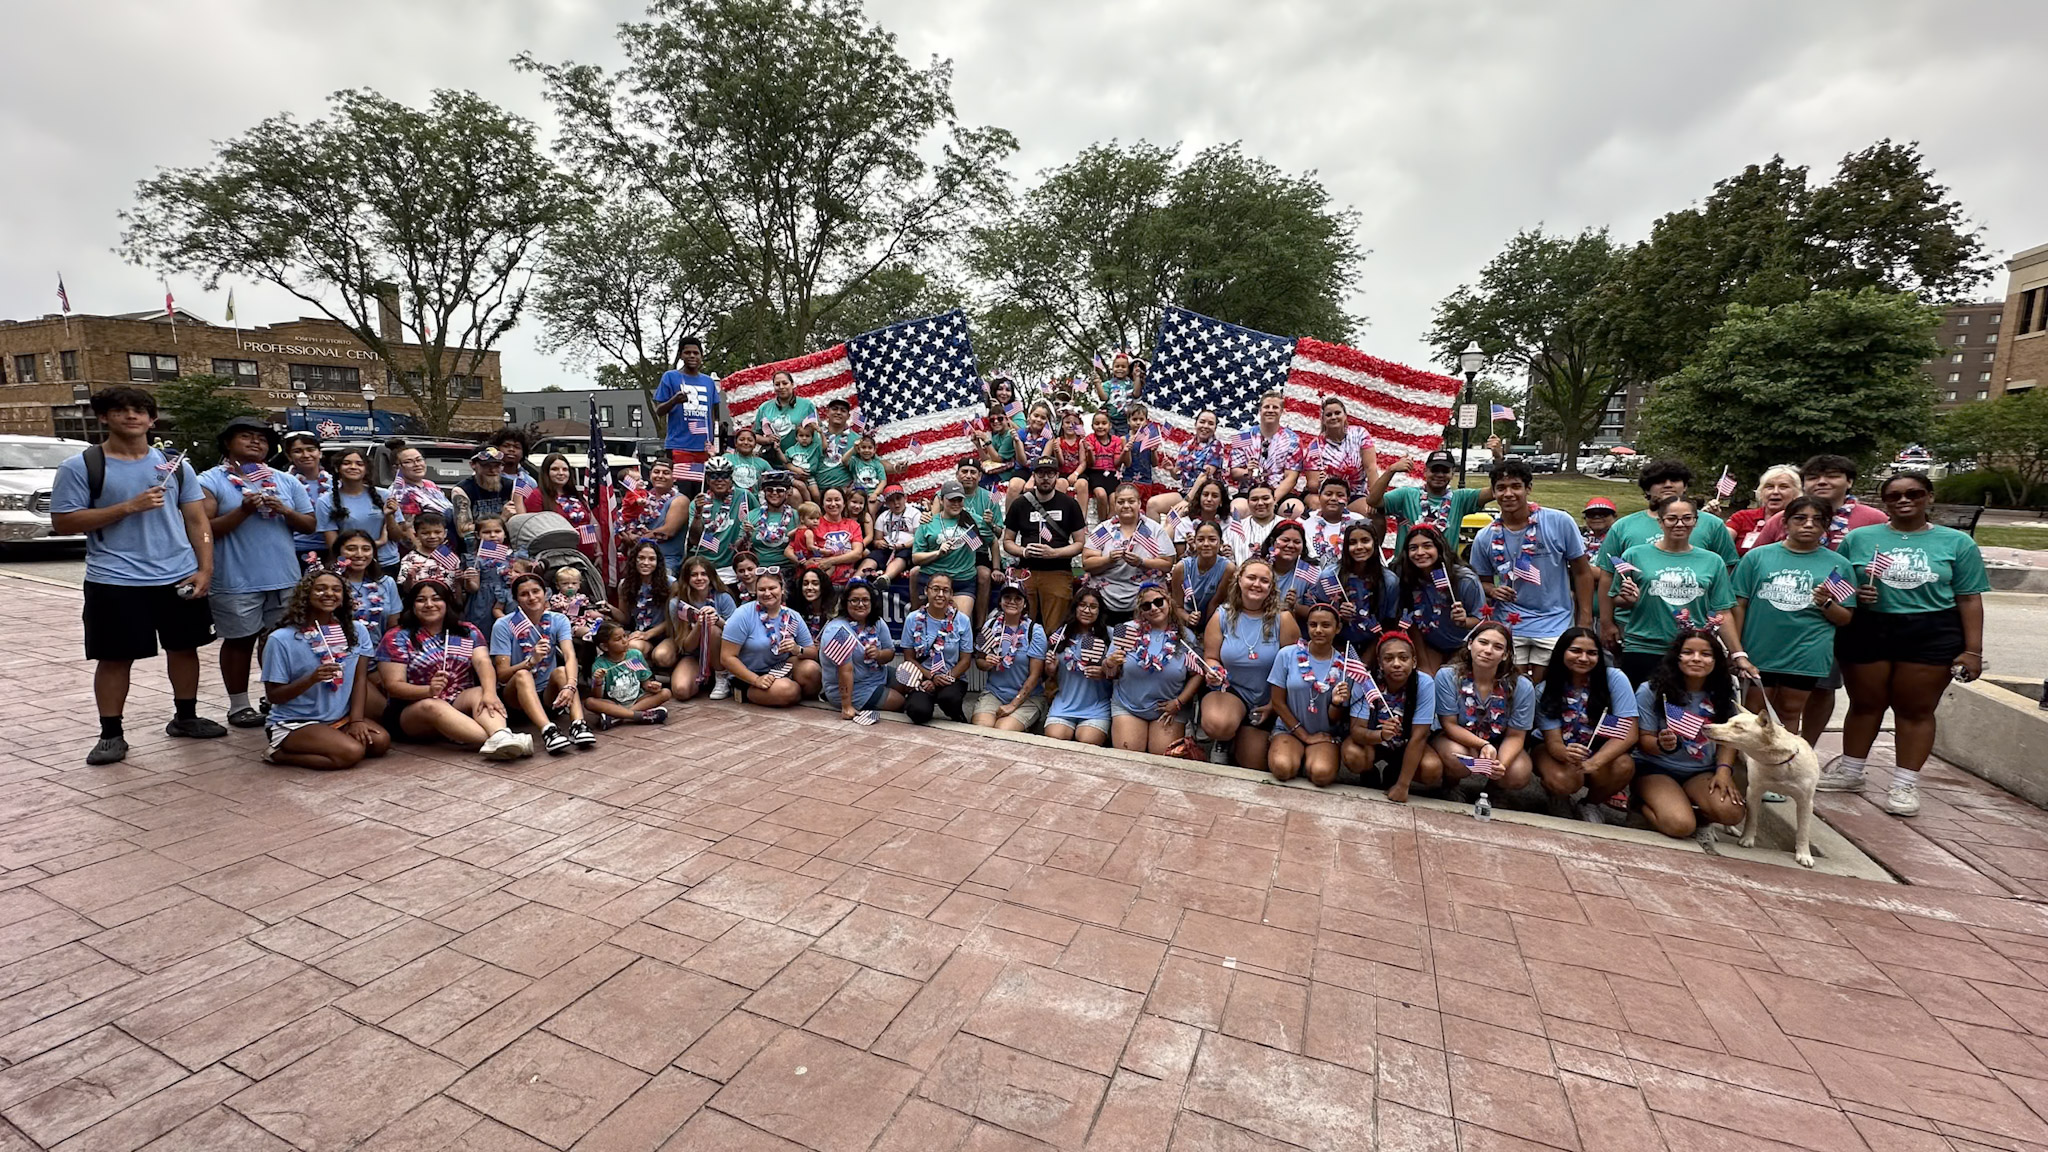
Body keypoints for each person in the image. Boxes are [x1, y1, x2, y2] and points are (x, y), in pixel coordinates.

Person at [50, 385, 224, 764]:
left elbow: (197, 520)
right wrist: (127, 507)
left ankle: (186, 717)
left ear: (152, 419)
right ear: (103, 417)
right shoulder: (81, 466)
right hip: (115, 578)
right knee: (113, 657)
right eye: (121, 410)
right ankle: (111, 733)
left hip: (177, 574)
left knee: (184, 647)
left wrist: (205, 568)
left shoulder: (175, 465)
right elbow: (63, 521)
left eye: (140, 410)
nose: (132, 416)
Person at [1824, 471, 1989, 816]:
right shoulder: (1860, 538)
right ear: (1884, 503)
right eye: (1894, 496)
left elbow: (1969, 598)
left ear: (1929, 497)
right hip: (1871, 625)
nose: (1903, 501)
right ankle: (1851, 771)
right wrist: (1856, 592)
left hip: (1931, 628)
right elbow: (1837, 584)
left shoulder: (1957, 543)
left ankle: (1904, 784)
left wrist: (1973, 650)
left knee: (1914, 708)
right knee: (1865, 702)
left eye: (1913, 494)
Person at [1749, 454, 1890, 751]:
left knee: (1821, 688)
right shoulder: (1780, 520)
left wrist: (1855, 594)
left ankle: (1803, 752)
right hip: (1774, 629)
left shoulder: (1872, 520)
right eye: (1814, 477)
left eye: (1833, 475)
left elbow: (1876, 568)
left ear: (1849, 481)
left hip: (1827, 627)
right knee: (1759, 701)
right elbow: (1756, 568)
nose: (1822, 482)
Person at [202, 416, 318, 728]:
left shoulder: (287, 481)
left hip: (284, 577)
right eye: (246, 437)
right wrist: (244, 510)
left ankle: (274, 696)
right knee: (239, 641)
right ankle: (239, 705)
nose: (256, 442)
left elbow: (310, 524)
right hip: (236, 579)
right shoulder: (210, 480)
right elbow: (204, 529)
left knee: (279, 641)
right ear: (228, 443)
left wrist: (286, 511)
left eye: (262, 439)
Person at [1729, 495, 1853, 738]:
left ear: (1826, 526)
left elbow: (1845, 617)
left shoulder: (1838, 565)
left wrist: (1826, 602)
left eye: (1818, 520)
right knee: (1753, 713)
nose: (1808, 525)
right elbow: (1739, 604)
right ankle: (1745, 771)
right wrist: (1738, 649)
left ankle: (1781, 771)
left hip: (1806, 652)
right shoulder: (1757, 557)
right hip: (1760, 649)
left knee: (1789, 712)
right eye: (1800, 518)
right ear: (1785, 523)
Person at [1466, 460, 1594, 679]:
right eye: (1501, 488)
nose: (1508, 494)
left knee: (1546, 688)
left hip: (1555, 622)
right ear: (1494, 493)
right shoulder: (1485, 536)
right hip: (1510, 624)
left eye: (1515, 486)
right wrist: (1492, 590)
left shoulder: (1559, 521)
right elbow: (1482, 580)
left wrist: (1585, 620)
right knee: (1514, 687)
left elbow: (1582, 571)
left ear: (1528, 488)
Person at [377, 578, 528, 758]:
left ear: (447, 602)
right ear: (412, 605)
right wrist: (428, 690)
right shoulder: (397, 637)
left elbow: (483, 662)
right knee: (432, 705)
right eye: (421, 600)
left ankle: (501, 737)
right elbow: (393, 686)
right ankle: (502, 739)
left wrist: (490, 693)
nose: (429, 604)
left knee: (481, 692)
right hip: (413, 710)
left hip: (458, 701)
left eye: (436, 598)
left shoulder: (466, 631)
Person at [1604, 494, 1743, 686]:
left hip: (1691, 651)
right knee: (1641, 708)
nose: (1680, 524)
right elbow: (1616, 600)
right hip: (1644, 647)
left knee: (1683, 710)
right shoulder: (1634, 555)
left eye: (1687, 518)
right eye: (1672, 519)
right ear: (1660, 522)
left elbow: (1723, 611)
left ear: (1695, 521)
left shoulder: (1713, 561)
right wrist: (1627, 598)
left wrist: (1738, 654)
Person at [258, 569, 390, 769]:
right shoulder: (281, 639)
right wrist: (311, 679)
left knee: (380, 743)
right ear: (306, 595)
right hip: (296, 722)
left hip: (339, 719)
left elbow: (359, 679)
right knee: (352, 753)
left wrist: (356, 720)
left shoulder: (356, 631)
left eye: (336, 589)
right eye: (320, 589)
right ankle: (278, 753)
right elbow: (274, 696)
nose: (329, 593)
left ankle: (333, 738)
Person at [1594, 460, 1738, 632]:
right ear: (1647, 489)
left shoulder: (1712, 525)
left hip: (1696, 628)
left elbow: (1726, 572)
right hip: (1634, 626)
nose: (1668, 485)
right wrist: (1606, 623)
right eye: (1659, 481)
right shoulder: (1623, 527)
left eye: (1675, 480)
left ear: (1685, 486)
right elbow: (1607, 577)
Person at [1634, 630, 1747, 840]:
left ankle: (1695, 810)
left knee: (1732, 812)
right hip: (1655, 768)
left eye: (1705, 654)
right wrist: (1662, 743)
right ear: (1677, 657)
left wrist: (1723, 771)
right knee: (1680, 826)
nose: (1696, 659)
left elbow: (1728, 738)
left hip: (1700, 771)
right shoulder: (1651, 690)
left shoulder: (1724, 690)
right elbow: (1643, 741)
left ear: (1716, 660)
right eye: (1688, 652)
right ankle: (1640, 806)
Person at [1533, 627, 1638, 823]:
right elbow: (1553, 741)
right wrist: (1564, 753)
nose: (1583, 658)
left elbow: (1629, 732)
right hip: (1556, 750)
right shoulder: (1545, 688)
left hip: (1599, 749)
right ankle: (1558, 796)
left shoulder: (1614, 679)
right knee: (1563, 780)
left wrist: (1594, 762)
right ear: (1561, 652)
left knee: (1624, 765)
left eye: (1591, 653)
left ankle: (1590, 803)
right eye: (1575, 651)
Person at [1202, 559, 1299, 771]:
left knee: (1254, 764)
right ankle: (1225, 738)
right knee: (1219, 725)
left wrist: (1275, 705)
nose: (1257, 584)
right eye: (1251, 578)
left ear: (1272, 587)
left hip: (1269, 697)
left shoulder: (1284, 619)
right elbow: (1211, 657)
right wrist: (1214, 670)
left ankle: (1242, 738)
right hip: (1231, 691)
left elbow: (1295, 668)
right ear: (1239, 580)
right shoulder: (1222, 615)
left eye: (1264, 581)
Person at [490, 571, 594, 755]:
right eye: (524, 594)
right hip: (515, 698)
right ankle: (548, 731)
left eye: (535, 591)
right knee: (522, 674)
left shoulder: (558, 619)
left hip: (549, 695)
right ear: (516, 599)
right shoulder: (504, 625)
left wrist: (570, 685)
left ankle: (578, 724)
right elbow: (503, 675)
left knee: (563, 671)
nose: (531, 597)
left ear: (545, 593)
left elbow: (570, 656)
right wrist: (530, 662)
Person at [1433, 621, 1537, 797]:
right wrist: (1483, 745)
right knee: (1457, 757)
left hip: (1499, 742)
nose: (1488, 651)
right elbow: (1449, 724)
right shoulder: (1448, 676)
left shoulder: (1522, 686)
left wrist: (1499, 765)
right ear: (1470, 643)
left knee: (1518, 772)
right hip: (1458, 739)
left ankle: (1493, 791)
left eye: (1497, 647)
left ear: (1505, 655)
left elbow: (1516, 735)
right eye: (1483, 642)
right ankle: (1450, 785)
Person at [1340, 630, 1440, 802]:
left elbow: (1419, 736)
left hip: (1406, 743)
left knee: (1432, 769)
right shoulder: (1366, 681)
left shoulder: (1424, 683)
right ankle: (1368, 772)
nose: (1396, 664)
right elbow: (1356, 730)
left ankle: (1394, 773)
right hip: (1372, 742)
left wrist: (1403, 785)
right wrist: (1380, 735)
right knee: (1352, 754)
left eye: (1403, 658)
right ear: (1379, 663)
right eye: (1388, 659)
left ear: (1414, 661)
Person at [1106, 581, 1200, 755]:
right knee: (1128, 754)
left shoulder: (1186, 637)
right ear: (1140, 610)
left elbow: (1197, 674)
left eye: (1158, 602)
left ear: (1168, 602)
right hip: (1129, 706)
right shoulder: (1127, 631)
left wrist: (1179, 703)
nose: (1154, 608)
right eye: (1146, 605)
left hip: (1168, 710)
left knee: (1162, 757)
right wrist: (1110, 663)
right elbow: (1109, 672)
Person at [1266, 602, 1353, 786]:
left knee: (1321, 775)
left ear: (1338, 628)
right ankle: (1295, 754)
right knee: (1283, 769)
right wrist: (1304, 736)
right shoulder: (1287, 655)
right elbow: (1277, 702)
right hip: (1289, 730)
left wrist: (1336, 703)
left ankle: (1312, 758)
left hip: (1324, 733)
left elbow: (1336, 719)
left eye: (1326, 625)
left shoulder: (1344, 668)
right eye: (1313, 625)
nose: (1319, 630)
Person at [1367, 442, 1504, 555]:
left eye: (1444, 471)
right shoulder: (1406, 495)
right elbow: (1372, 500)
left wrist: (1499, 460)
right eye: (1434, 470)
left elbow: (1495, 490)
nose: (1439, 474)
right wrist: (1391, 470)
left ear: (1452, 473)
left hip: (1445, 573)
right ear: (1425, 472)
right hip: (1407, 573)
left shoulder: (1461, 498)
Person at [1002, 455, 1088, 631]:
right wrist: (1024, 551)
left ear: (1057, 476)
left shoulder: (1070, 504)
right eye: (1041, 474)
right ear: (1034, 476)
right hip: (1026, 572)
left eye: (1050, 474)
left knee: (1055, 628)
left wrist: (1054, 553)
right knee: (1021, 625)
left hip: (1058, 571)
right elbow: (1007, 541)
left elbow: (1079, 543)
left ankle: (1051, 656)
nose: (1046, 478)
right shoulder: (1020, 503)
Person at [721, 568, 822, 707]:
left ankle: (784, 693)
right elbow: (727, 658)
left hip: (781, 668)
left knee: (812, 670)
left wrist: (797, 649)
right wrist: (756, 680)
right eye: (762, 589)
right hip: (750, 675)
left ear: (782, 589)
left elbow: (812, 653)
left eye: (772, 588)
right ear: (756, 592)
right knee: (787, 690)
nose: (767, 593)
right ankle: (747, 693)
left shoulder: (793, 616)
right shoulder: (742, 614)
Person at [1390, 524, 1482, 675]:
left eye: (1427, 546)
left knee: (1448, 680)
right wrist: (1424, 663)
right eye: (1413, 548)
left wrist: (1464, 621)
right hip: (1430, 645)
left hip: (1464, 646)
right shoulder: (1407, 579)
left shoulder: (1465, 580)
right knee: (1425, 679)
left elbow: (1483, 622)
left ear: (1439, 548)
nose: (1420, 552)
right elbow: (1412, 622)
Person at [1081, 485, 1174, 625]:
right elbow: (1087, 563)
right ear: (1115, 504)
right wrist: (1108, 559)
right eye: (1121, 502)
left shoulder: (1154, 529)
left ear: (1139, 503)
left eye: (1131, 501)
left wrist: (1142, 562)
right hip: (1107, 601)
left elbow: (1167, 563)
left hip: (1145, 604)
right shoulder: (1104, 529)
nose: (1126, 506)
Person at [1043, 588, 1116, 746]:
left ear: (1100, 611)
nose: (1087, 610)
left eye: (1093, 606)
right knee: (1054, 739)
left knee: (1088, 740)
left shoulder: (1110, 635)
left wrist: (1105, 673)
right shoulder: (1061, 635)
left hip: (1096, 707)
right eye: (1082, 605)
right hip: (1064, 704)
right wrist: (1051, 669)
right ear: (1075, 607)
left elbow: (1120, 674)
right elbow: (1050, 675)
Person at [898, 573, 974, 724]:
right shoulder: (913, 618)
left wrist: (944, 678)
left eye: (945, 590)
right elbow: (909, 658)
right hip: (922, 676)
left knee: (948, 698)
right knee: (918, 712)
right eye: (936, 589)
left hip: (952, 677)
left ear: (951, 594)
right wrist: (930, 677)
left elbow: (965, 661)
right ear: (927, 591)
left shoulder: (962, 620)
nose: (940, 594)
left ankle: (956, 715)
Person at [819, 579, 900, 720]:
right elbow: (845, 670)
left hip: (878, 674)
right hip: (855, 688)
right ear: (846, 603)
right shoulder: (838, 631)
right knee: (900, 702)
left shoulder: (877, 622)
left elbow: (890, 652)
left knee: (909, 683)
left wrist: (879, 654)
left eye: (865, 600)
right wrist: (847, 706)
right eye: (854, 600)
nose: (861, 604)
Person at [1317, 522, 1400, 655]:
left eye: (1365, 541)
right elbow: (1319, 618)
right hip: (1336, 645)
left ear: (1375, 543)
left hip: (1374, 646)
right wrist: (1337, 614)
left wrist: (1367, 660)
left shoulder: (1389, 581)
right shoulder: (1330, 576)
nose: (1359, 547)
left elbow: (1388, 624)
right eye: (1353, 542)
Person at [974, 583, 1047, 732]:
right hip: (995, 693)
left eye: (1018, 598)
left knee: (1003, 730)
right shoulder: (990, 624)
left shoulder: (1035, 631)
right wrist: (986, 663)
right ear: (1000, 601)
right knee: (981, 729)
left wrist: (1013, 705)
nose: (1012, 601)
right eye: (1007, 597)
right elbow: (979, 660)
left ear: (1025, 603)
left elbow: (1035, 675)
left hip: (1027, 697)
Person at [661, 556, 737, 697]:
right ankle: (702, 677)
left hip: (721, 652)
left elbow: (736, 636)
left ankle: (721, 677)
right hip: (693, 654)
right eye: (694, 575)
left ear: (710, 576)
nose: (699, 578)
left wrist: (717, 620)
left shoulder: (723, 597)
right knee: (681, 691)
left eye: (703, 574)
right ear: (686, 578)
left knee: (713, 629)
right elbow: (686, 646)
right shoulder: (677, 604)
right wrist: (699, 626)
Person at [653, 334, 719, 493]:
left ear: (701, 356)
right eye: (687, 352)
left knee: (702, 494)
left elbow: (714, 416)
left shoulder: (709, 382)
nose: (692, 356)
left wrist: (714, 443)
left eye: (696, 353)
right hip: (679, 446)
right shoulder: (670, 377)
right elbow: (659, 411)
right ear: (681, 355)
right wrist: (674, 400)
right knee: (682, 495)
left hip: (704, 449)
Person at [912, 480, 985, 619]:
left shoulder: (974, 520)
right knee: (930, 621)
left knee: (960, 622)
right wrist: (937, 553)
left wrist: (992, 525)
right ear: (941, 500)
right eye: (951, 500)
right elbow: (915, 558)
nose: (956, 504)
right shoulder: (928, 522)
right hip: (934, 580)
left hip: (962, 581)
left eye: (959, 500)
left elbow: (995, 537)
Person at [1296, 397, 1380, 516]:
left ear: (1345, 416)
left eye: (1337, 413)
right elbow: (1312, 485)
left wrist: (1375, 499)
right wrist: (1321, 481)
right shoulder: (1315, 447)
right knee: (1320, 506)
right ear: (1323, 420)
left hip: (1355, 495)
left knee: (1371, 512)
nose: (1333, 417)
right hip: (1326, 495)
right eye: (1329, 415)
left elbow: (1371, 468)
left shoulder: (1360, 434)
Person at [319, 449, 398, 570]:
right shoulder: (325, 502)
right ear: (337, 468)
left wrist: (389, 516)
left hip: (386, 563)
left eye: (359, 464)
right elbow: (334, 546)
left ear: (366, 469)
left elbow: (397, 535)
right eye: (346, 463)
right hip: (351, 565)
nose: (353, 467)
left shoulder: (384, 496)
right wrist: (377, 544)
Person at [583, 622, 673, 728]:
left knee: (665, 693)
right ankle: (640, 716)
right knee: (590, 702)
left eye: (625, 636)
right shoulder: (600, 665)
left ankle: (619, 717)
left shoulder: (635, 655)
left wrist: (652, 686)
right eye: (618, 639)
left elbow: (645, 682)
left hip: (638, 699)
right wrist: (598, 681)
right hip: (614, 704)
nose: (625, 641)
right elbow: (598, 696)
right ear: (605, 646)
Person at [1230, 392, 1303, 514]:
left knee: (1295, 509)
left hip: (1278, 493)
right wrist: (1247, 472)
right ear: (1259, 410)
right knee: (1237, 509)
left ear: (1281, 412)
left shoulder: (1293, 439)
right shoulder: (1242, 436)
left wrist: (1272, 500)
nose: (1270, 410)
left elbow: (1292, 477)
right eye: (1266, 407)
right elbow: (1234, 472)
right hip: (1248, 493)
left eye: (1275, 407)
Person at [686, 458, 754, 582]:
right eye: (714, 476)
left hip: (733, 567)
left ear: (731, 478)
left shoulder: (744, 496)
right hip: (704, 565)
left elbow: (758, 520)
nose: (719, 480)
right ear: (707, 480)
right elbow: (695, 540)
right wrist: (698, 514)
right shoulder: (698, 502)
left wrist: (749, 531)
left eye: (724, 475)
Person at [331, 530, 399, 652]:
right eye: (351, 549)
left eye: (366, 549)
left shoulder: (386, 583)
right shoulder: (329, 584)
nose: (359, 554)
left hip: (378, 655)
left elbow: (393, 627)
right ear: (338, 552)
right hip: (339, 654)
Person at [524, 454, 599, 560]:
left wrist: (597, 551)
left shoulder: (576, 495)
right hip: (558, 558)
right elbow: (534, 530)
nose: (561, 473)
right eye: (555, 469)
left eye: (565, 469)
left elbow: (586, 524)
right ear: (546, 473)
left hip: (587, 557)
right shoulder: (537, 496)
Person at [385, 445, 454, 553]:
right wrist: (422, 554)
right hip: (427, 553)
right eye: (409, 462)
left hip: (446, 547)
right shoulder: (401, 493)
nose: (417, 464)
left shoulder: (430, 485)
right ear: (396, 468)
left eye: (419, 459)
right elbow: (407, 530)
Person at [611, 541, 671, 659]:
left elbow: (675, 620)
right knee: (633, 646)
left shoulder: (670, 583)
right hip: (640, 634)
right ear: (634, 560)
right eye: (641, 558)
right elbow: (625, 618)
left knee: (661, 657)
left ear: (658, 562)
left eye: (651, 559)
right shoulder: (624, 585)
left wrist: (648, 634)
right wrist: (609, 609)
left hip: (665, 634)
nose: (646, 563)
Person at [1723, 465, 1801, 555]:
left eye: (1783, 487)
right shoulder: (1742, 517)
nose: (1775, 492)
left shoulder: (1803, 520)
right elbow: (1720, 544)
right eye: (1769, 487)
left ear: (1796, 493)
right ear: (1761, 492)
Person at [1172, 520, 1234, 630]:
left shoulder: (1228, 568)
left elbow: (1214, 603)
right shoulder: (1181, 568)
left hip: (1214, 621)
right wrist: (1188, 617)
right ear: (1195, 542)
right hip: (1184, 623)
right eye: (1200, 540)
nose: (1206, 544)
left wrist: (1206, 632)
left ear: (1220, 543)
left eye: (1212, 540)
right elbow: (1177, 606)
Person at [452, 446, 517, 549]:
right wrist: (501, 519)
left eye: (497, 466)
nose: (492, 470)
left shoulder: (511, 486)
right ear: (473, 465)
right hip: (475, 547)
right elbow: (462, 531)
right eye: (486, 466)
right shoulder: (462, 490)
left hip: (506, 544)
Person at [282, 430, 331, 563]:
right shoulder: (282, 483)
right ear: (289, 456)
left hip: (330, 549)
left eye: (311, 449)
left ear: (320, 453)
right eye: (298, 451)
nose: (306, 455)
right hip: (296, 550)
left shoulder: (335, 483)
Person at [752, 370, 819, 461]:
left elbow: (816, 434)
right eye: (777, 384)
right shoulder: (764, 408)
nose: (781, 387)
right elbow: (754, 435)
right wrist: (767, 440)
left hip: (800, 462)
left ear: (792, 384)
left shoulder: (807, 405)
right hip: (772, 462)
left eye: (785, 383)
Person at [1260, 520, 1319, 619]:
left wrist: (1295, 606)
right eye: (1285, 540)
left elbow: (1316, 613)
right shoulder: (1258, 567)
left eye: (1297, 542)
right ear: (1272, 542)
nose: (1291, 545)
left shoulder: (1311, 573)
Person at [1076, 409, 1126, 523]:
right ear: (1092, 426)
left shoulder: (1116, 440)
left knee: (1114, 498)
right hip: (1095, 473)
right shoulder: (1090, 439)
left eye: (1104, 423)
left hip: (1112, 473)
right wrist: (1089, 452)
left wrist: (1124, 453)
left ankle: (1111, 523)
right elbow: (1091, 463)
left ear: (1110, 425)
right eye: (1097, 423)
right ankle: (1102, 522)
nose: (1100, 426)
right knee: (1101, 494)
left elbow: (1117, 463)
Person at [1303, 476, 1364, 569]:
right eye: (1328, 494)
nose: (1334, 498)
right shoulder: (1307, 523)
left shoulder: (1358, 521)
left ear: (1347, 499)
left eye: (1340, 495)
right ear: (1319, 497)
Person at [746, 471, 801, 574]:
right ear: (764, 492)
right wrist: (746, 535)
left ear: (788, 492)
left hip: (788, 570)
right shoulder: (752, 516)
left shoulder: (797, 516)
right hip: (759, 570)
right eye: (770, 490)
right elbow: (739, 549)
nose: (774, 493)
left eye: (780, 490)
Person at [874, 484, 926, 588]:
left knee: (903, 556)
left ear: (905, 498)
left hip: (908, 547)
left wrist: (903, 545)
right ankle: (857, 578)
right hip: (888, 547)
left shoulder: (914, 513)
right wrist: (879, 543)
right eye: (891, 501)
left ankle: (885, 578)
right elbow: (877, 539)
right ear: (887, 503)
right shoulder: (883, 517)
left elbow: (919, 537)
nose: (896, 503)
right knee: (874, 556)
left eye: (898, 498)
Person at [814, 488, 867, 585]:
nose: (833, 504)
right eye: (829, 500)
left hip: (848, 583)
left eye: (837, 500)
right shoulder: (814, 524)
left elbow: (857, 553)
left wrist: (830, 561)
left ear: (844, 503)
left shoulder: (853, 525)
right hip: (822, 583)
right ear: (822, 504)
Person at [1224, 482, 1284, 564]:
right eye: (1254, 499)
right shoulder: (1233, 529)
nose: (1260, 503)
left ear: (1274, 500)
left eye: (1265, 498)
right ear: (1248, 502)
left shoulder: (1287, 526)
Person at [812, 398, 862, 495]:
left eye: (843, 410)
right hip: (816, 491)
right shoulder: (814, 435)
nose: (838, 412)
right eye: (835, 409)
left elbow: (874, 462)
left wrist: (895, 467)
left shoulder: (858, 440)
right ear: (827, 413)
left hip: (844, 493)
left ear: (848, 416)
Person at [721, 425, 773, 495]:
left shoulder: (763, 463)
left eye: (750, 440)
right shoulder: (727, 458)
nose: (746, 442)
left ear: (755, 444)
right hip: (731, 500)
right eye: (741, 439)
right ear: (736, 443)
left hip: (755, 502)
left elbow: (774, 481)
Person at [790, 565, 838, 639]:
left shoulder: (835, 613)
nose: (809, 588)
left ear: (823, 586)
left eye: (815, 584)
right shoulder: (796, 613)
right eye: (805, 584)